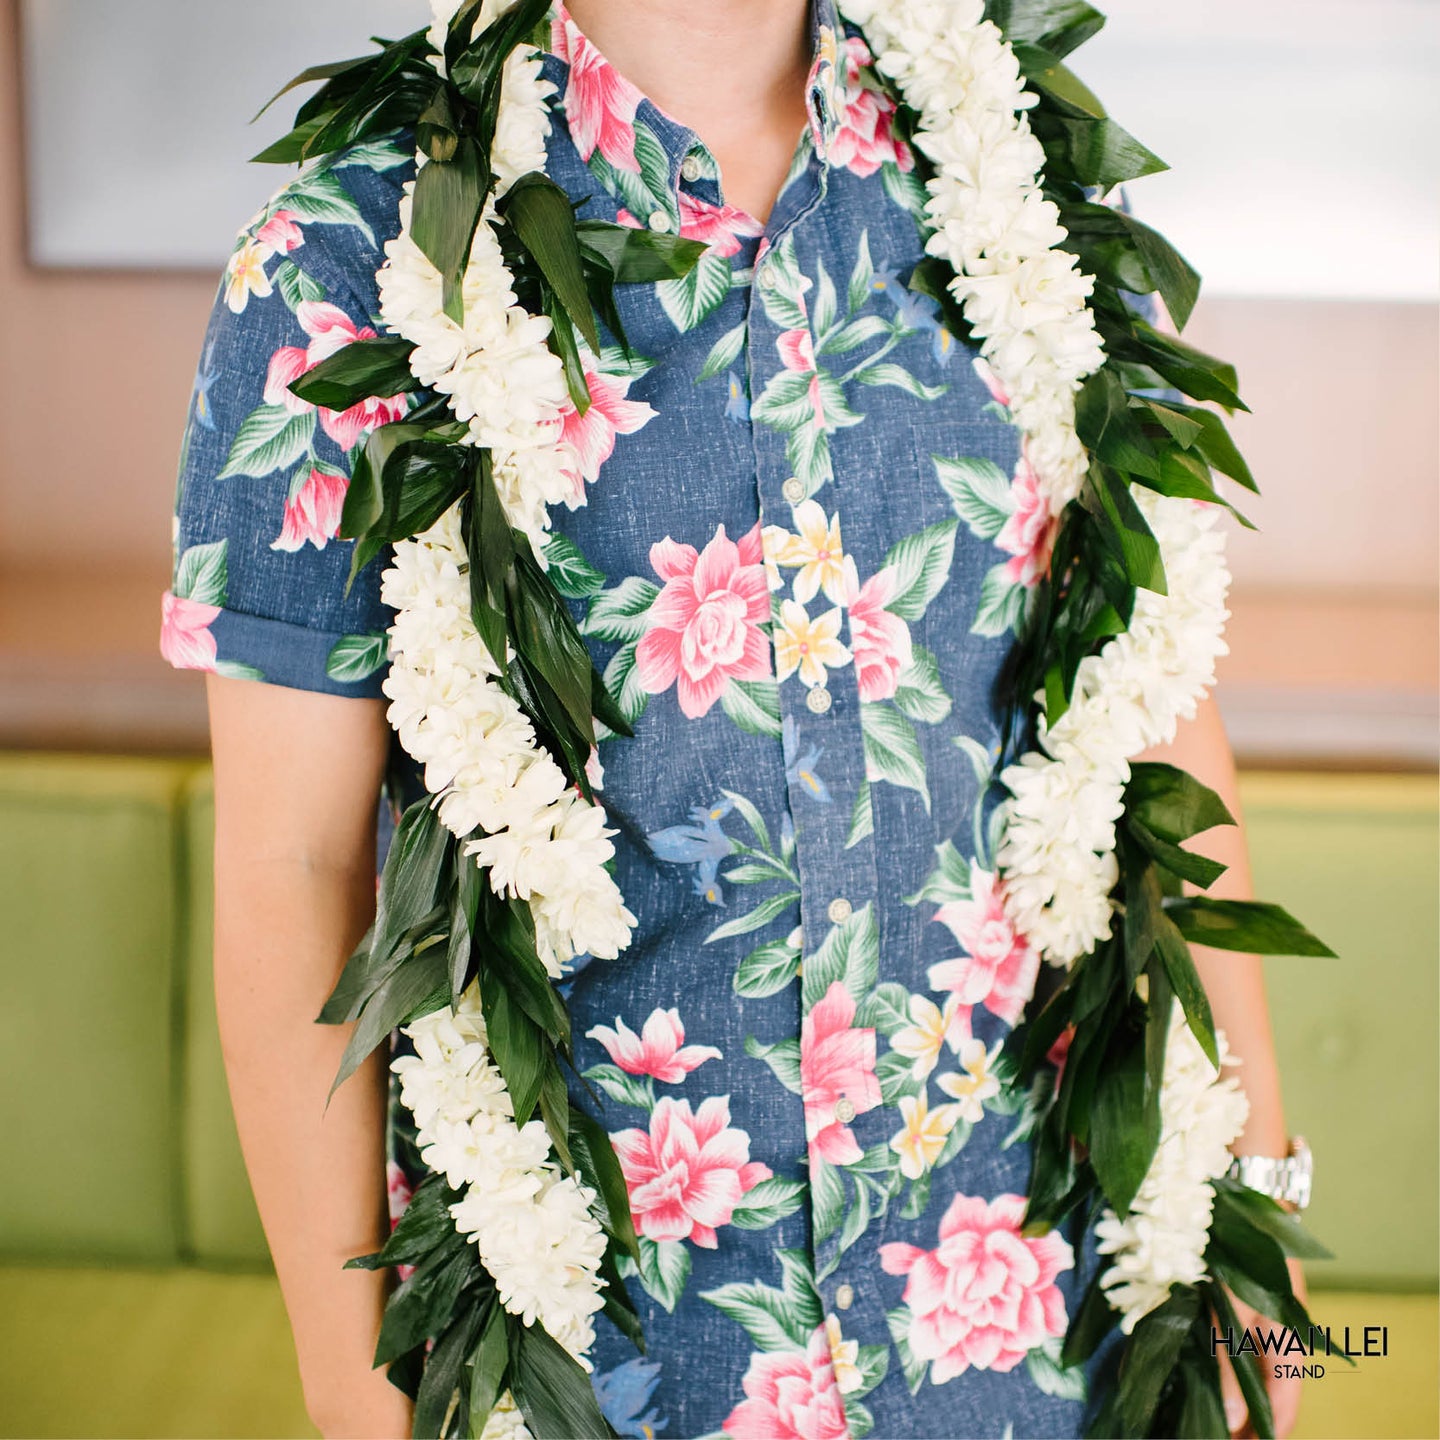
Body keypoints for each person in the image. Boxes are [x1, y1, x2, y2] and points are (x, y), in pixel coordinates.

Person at [162, 1, 1306, 1435]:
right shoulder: (341, 265)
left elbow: (1159, 717)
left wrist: (1257, 1228)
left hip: (1048, 1345)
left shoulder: (1032, 181)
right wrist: (355, 1397)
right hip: (607, 1373)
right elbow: (294, 878)